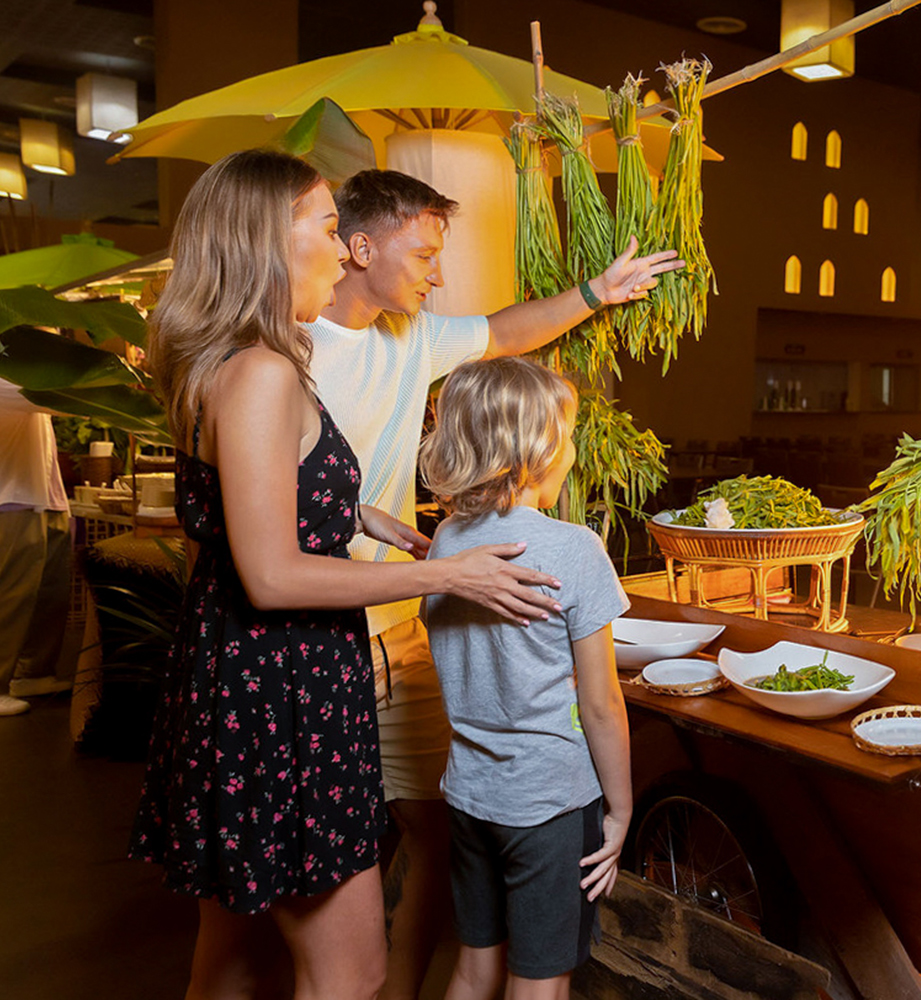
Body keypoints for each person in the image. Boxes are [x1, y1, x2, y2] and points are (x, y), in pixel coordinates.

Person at [129, 149, 545, 1000]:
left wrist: (352, 511)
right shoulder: (263, 371)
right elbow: (274, 575)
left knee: (236, 952)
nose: (340, 240)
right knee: (350, 972)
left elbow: (254, 491)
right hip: (280, 696)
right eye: (325, 226)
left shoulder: (233, 361)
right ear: (268, 243)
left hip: (239, 683)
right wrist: (451, 577)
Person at [304, 168, 678, 998]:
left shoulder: (415, 348)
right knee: (320, 857)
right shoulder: (284, 352)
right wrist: (622, 809)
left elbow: (507, 331)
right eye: (426, 252)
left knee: (436, 847)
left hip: (410, 630)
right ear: (360, 247)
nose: (437, 271)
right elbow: (599, 702)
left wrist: (597, 291)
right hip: (315, 642)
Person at [419, 357, 631, 1000]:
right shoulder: (573, 548)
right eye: (565, 432)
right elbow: (600, 706)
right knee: (540, 980)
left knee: (474, 967)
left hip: (469, 794)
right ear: (540, 448)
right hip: (548, 804)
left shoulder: (447, 543)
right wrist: (621, 810)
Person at [0, 375, 73, 717]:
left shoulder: (23, 378)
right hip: (13, 503)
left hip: (46, 499)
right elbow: (69, 400)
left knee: (50, 594)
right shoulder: (0, 382)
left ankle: (33, 673)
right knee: (7, 595)